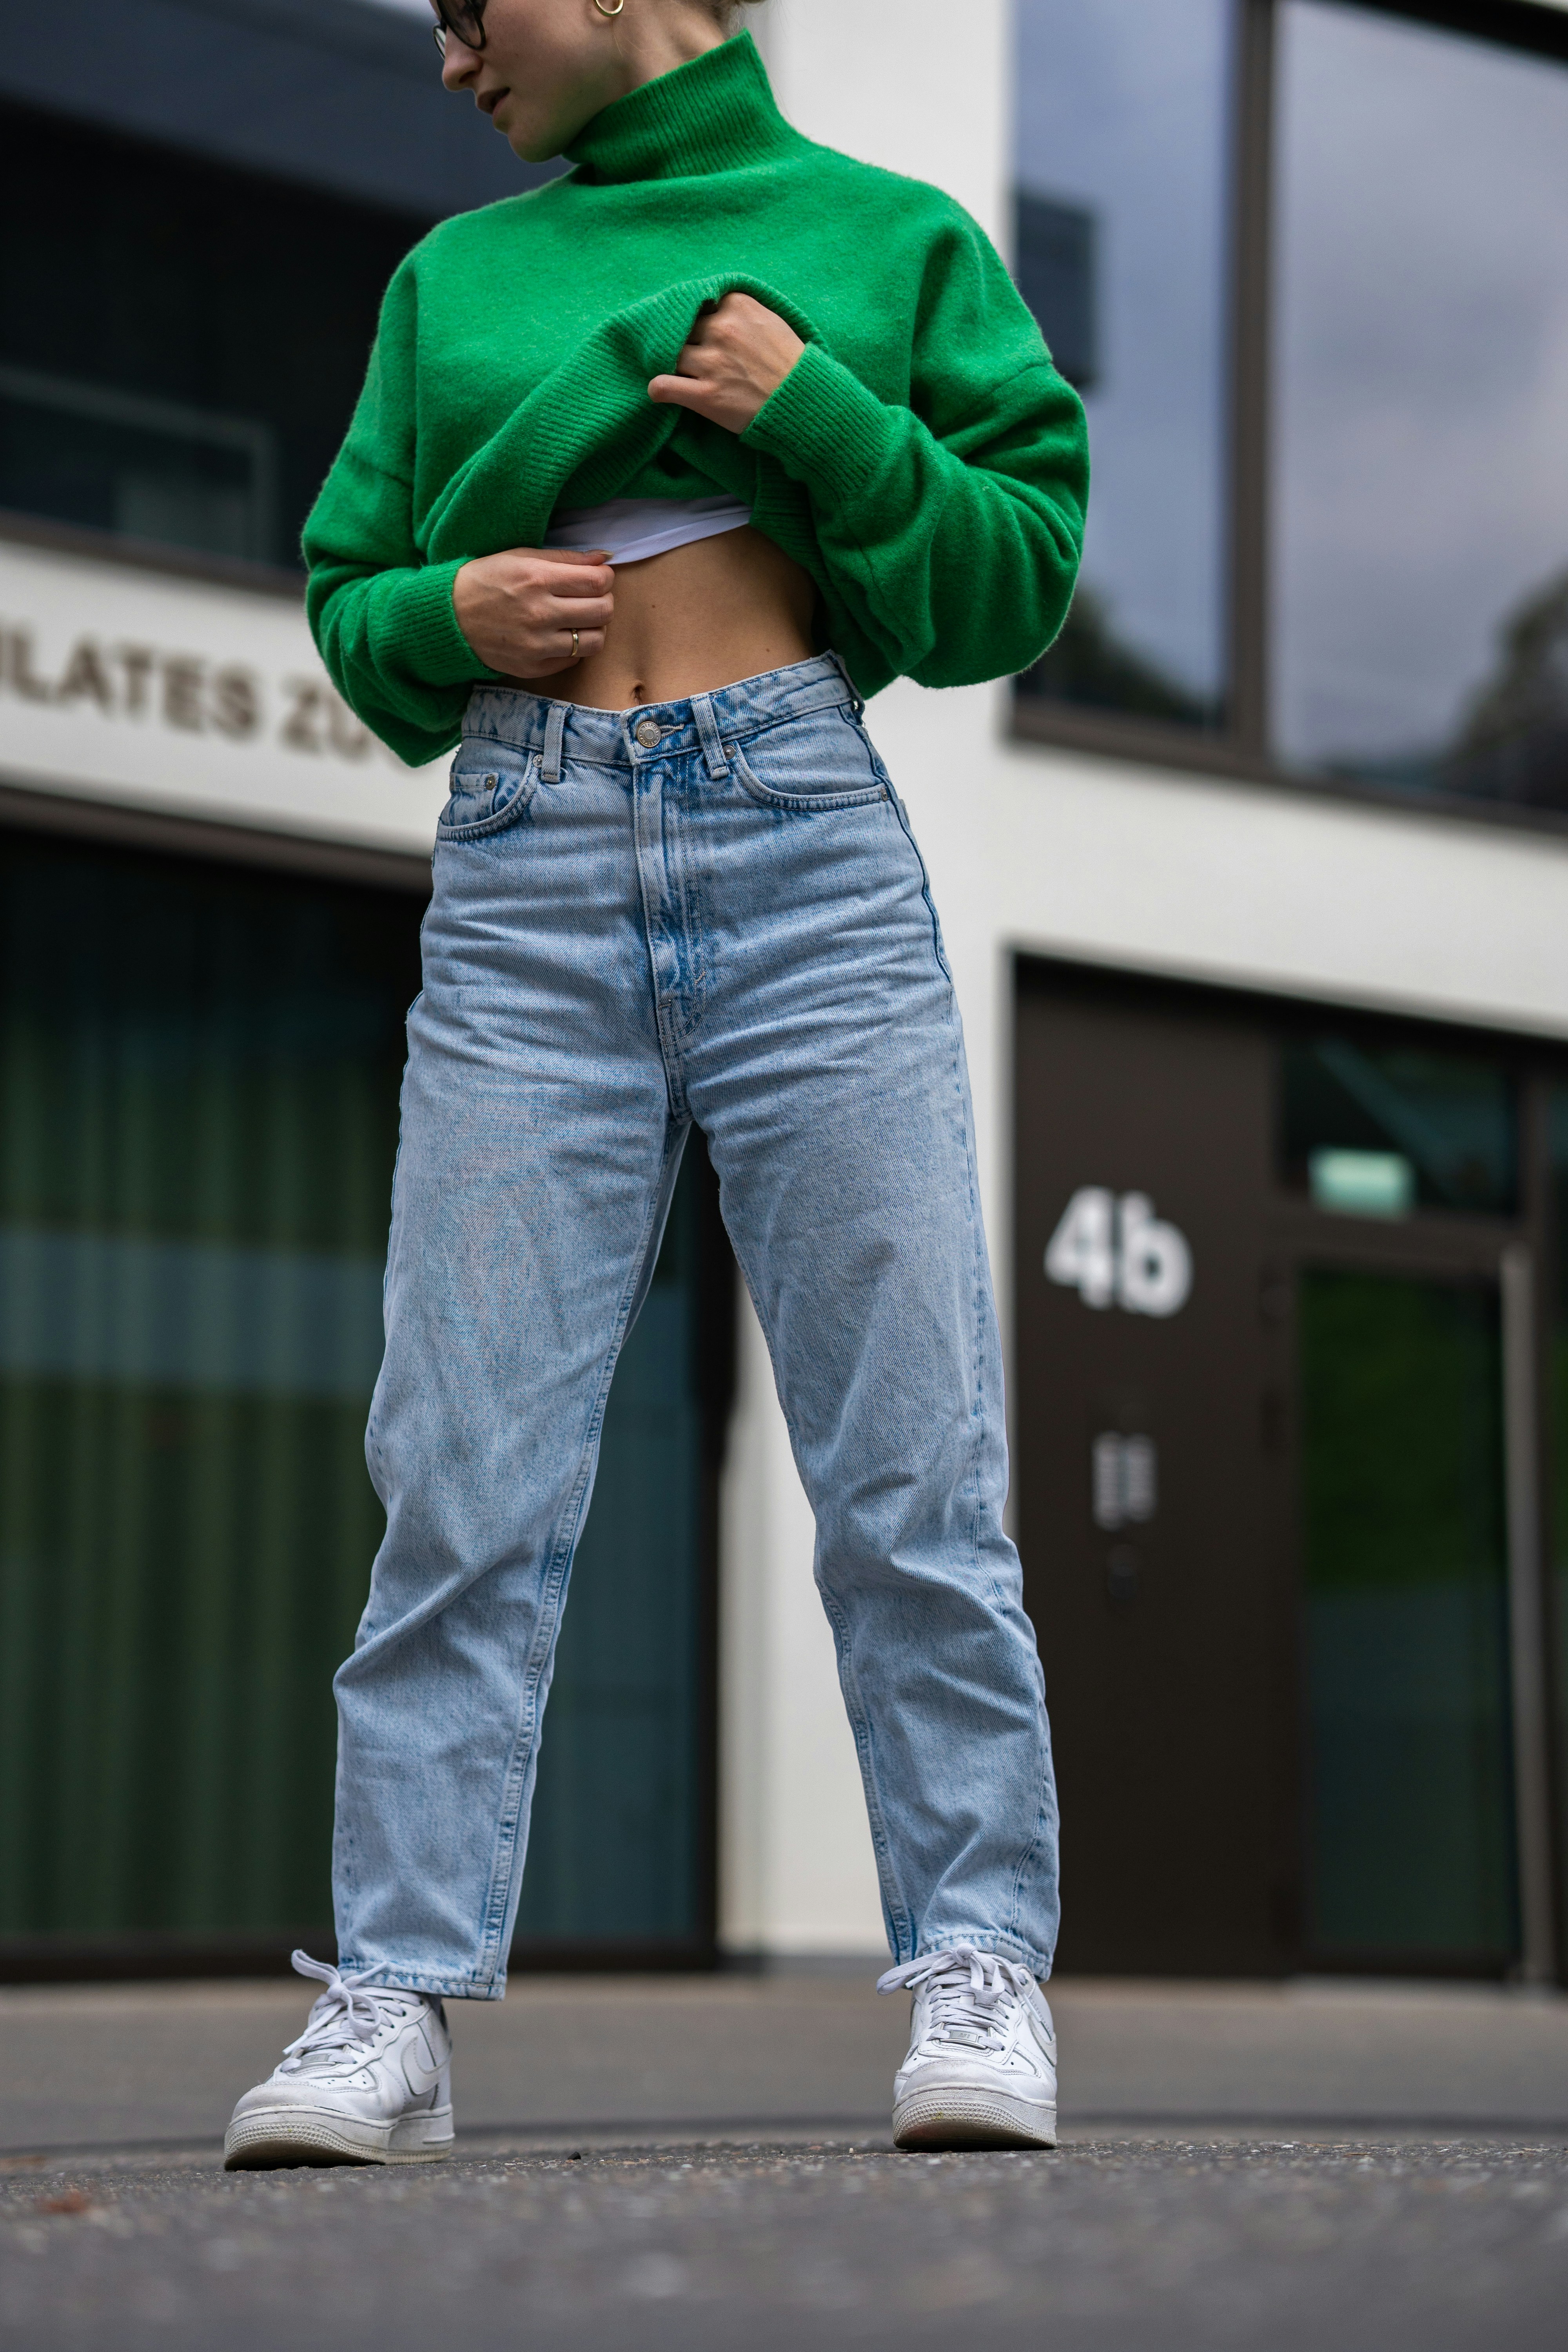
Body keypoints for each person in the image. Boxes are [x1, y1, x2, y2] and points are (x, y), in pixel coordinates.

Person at [224, 0, 1087, 2168]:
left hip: (806, 845)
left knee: (912, 1454)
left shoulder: (885, 243)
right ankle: (392, 2002)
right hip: (526, 874)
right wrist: (449, 611)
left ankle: (979, 1962)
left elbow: (1016, 573)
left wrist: (826, 424)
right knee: (463, 1464)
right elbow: (346, 600)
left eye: (464, 6)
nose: (445, 59)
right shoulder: (454, 284)